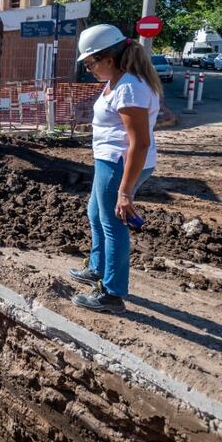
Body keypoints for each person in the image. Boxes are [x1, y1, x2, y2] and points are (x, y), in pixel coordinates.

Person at [68, 24, 161, 314]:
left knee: (113, 224)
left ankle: (112, 293)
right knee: (96, 213)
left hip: (120, 164)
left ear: (108, 58)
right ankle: (97, 268)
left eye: (91, 63)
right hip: (109, 160)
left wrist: (125, 191)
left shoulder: (130, 88)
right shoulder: (120, 82)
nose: (89, 69)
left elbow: (140, 143)